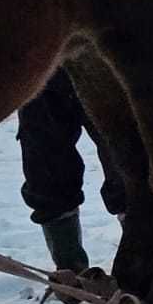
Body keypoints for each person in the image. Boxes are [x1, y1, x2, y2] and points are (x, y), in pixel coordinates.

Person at [18, 68, 126, 275]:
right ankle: (69, 265)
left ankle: (143, 258)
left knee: (125, 159)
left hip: (105, 56)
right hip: (42, 60)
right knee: (45, 162)